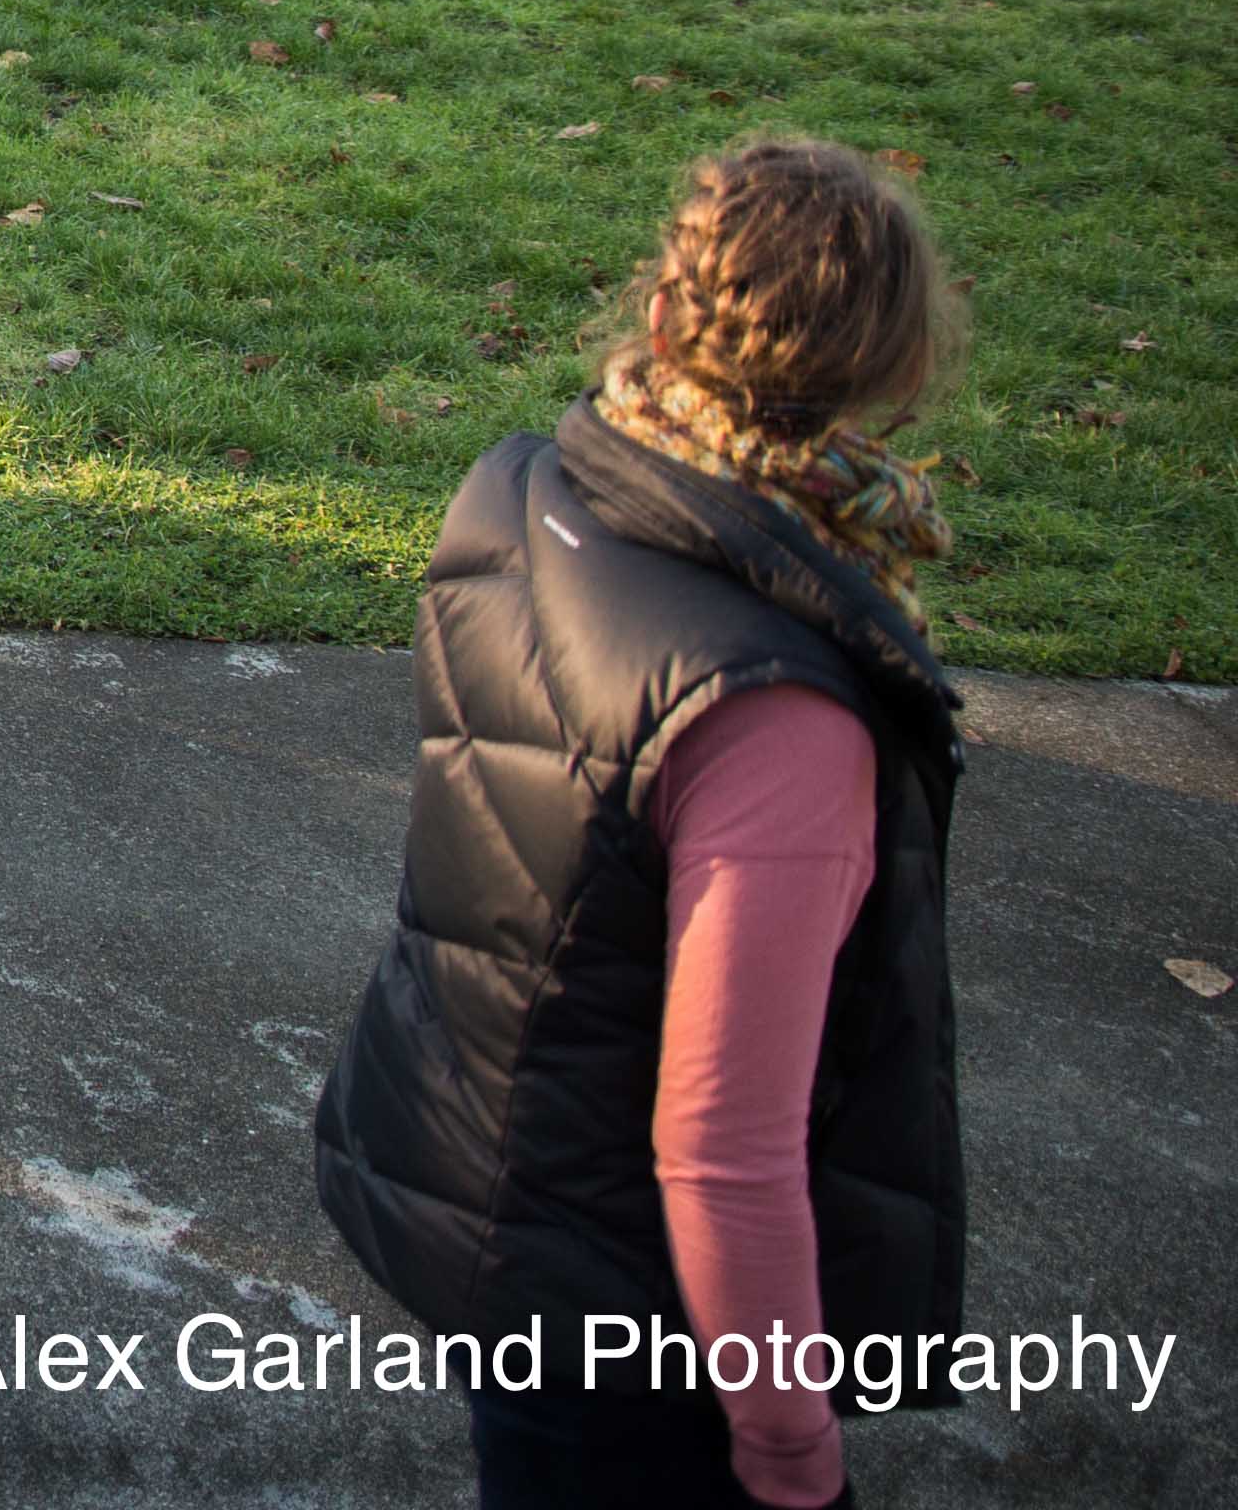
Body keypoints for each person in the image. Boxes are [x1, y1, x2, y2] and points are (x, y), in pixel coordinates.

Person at [311, 142, 971, 1510]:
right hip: (641, 1326)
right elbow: (724, 1152)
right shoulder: (779, 715)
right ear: (895, 371)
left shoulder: (524, 496)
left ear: (663, 318)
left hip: (494, 1203)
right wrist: (794, 1462)